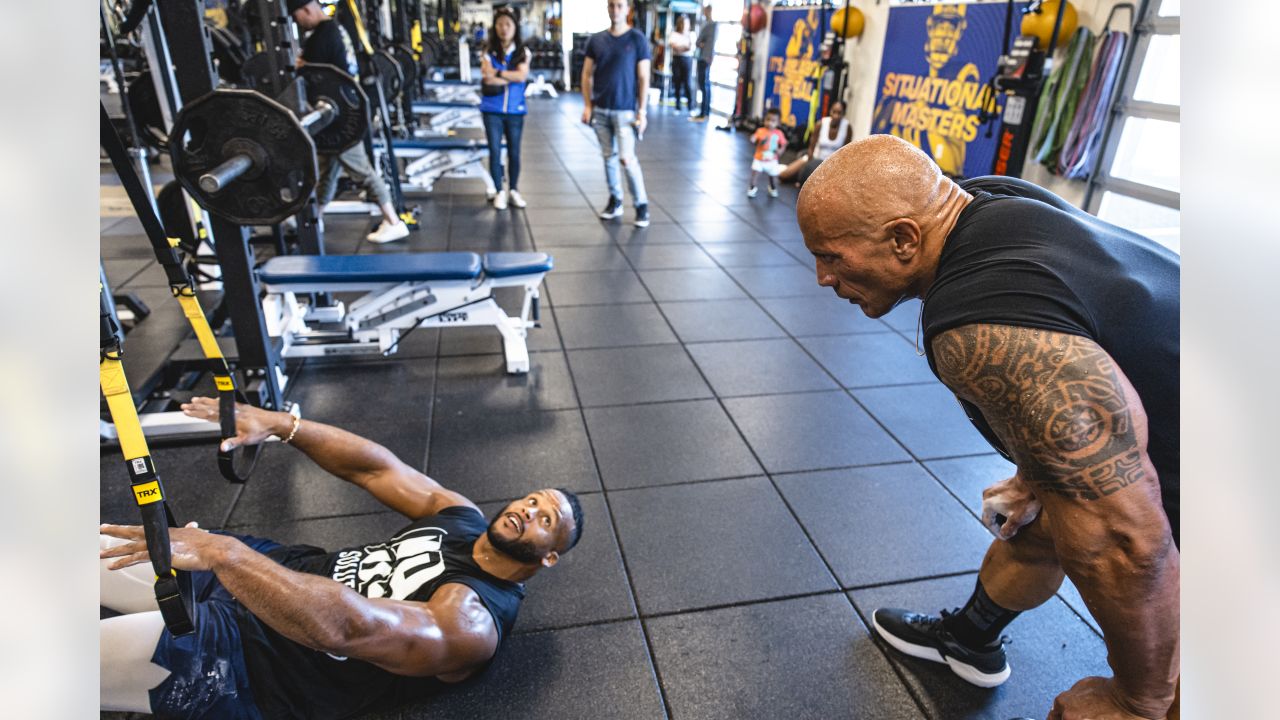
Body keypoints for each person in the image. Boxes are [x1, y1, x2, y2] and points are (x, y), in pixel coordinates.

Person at [797, 135, 1180, 720]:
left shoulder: (979, 325)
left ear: (904, 239)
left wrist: (1138, 697)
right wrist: (1038, 468)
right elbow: (1090, 344)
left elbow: (1126, 542)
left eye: (831, 256)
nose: (823, 278)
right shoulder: (990, 200)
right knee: (1043, 520)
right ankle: (969, 639)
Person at [100, 397, 585, 719]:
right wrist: (282, 424)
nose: (529, 510)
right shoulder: (462, 518)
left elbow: (350, 628)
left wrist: (229, 556)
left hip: (253, 662)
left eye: (546, 520)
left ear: (549, 559)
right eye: (533, 499)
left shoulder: (470, 624)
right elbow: (374, 467)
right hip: (266, 568)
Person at [290, 0, 409, 244]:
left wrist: (299, 66)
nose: (297, 22)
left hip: (338, 119)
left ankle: (393, 221)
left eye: (297, 16)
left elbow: (308, 76)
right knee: (327, 171)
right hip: (343, 112)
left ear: (307, 10)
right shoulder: (336, 30)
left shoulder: (320, 38)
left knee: (362, 171)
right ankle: (316, 217)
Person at [581, 0, 652, 227]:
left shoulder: (637, 39)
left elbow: (644, 78)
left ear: (627, 9)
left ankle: (641, 205)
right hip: (600, 110)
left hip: (625, 112)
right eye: (611, 5)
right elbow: (586, 75)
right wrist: (588, 105)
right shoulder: (596, 40)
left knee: (626, 159)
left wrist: (642, 111)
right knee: (608, 158)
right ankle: (616, 200)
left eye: (620, 5)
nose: (615, 10)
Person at [479, 7, 531, 211]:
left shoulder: (523, 52)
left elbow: (522, 77)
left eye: (508, 24)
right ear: (495, 27)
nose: (504, 28)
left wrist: (498, 73)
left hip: (516, 111)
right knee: (494, 151)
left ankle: (514, 190)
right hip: (491, 110)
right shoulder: (488, 51)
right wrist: (509, 76)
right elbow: (487, 77)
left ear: (515, 27)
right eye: (500, 24)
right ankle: (499, 190)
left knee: (514, 152)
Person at [778, 100, 851, 187]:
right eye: (834, 112)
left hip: (832, 165)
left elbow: (846, 152)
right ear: (830, 111)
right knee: (783, 175)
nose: (836, 115)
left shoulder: (847, 128)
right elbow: (811, 148)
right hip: (814, 160)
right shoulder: (821, 124)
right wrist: (808, 166)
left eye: (839, 113)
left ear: (843, 114)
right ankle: (798, 176)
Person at [747, 108, 786, 198]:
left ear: (778, 123)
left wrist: (780, 151)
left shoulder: (779, 133)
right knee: (755, 173)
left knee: (773, 176)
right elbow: (754, 137)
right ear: (764, 119)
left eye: (773, 121)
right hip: (759, 158)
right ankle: (752, 187)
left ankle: (772, 187)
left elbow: (784, 144)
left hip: (772, 160)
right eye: (768, 120)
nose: (769, 123)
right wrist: (752, 139)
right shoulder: (760, 131)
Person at [690, 4, 716, 122]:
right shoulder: (713, 26)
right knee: (706, 85)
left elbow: (698, 42)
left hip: (705, 58)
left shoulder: (709, 26)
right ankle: (705, 113)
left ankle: (703, 113)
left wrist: (702, 44)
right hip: (707, 58)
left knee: (704, 84)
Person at [667, 15, 695, 113]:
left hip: (687, 60)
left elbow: (690, 48)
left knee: (687, 83)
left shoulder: (692, 34)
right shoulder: (674, 34)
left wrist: (681, 47)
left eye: (686, 23)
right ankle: (677, 107)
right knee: (677, 83)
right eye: (682, 23)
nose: (684, 25)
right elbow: (673, 46)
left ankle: (690, 107)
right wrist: (684, 47)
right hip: (677, 60)